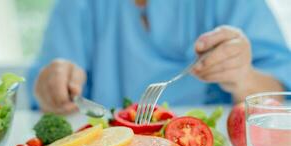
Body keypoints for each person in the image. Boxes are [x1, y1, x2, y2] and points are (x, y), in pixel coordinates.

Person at [27, 0, 291, 114]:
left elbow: (280, 95)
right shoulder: (79, 5)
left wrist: (245, 77)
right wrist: (52, 88)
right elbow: (46, 92)